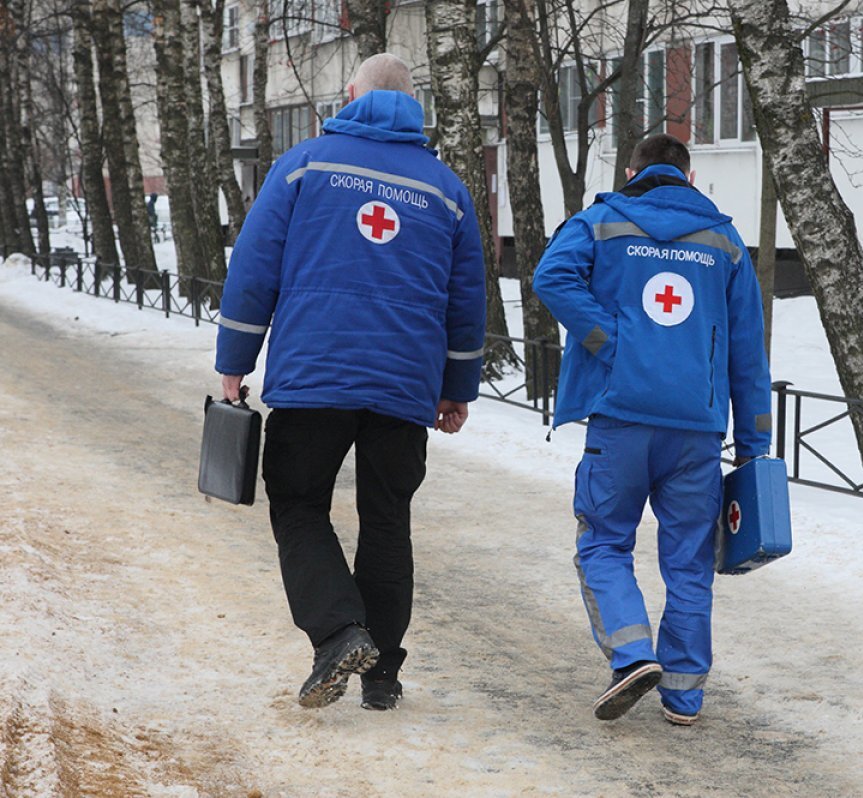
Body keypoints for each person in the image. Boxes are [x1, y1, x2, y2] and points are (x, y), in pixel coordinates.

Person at [214, 54, 486, 711]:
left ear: (350, 94)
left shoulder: (304, 165)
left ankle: (338, 633)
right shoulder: (446, 189)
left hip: (315, 378)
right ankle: (383, 675)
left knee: (300, 503)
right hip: (404, 386)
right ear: (413, 104)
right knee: (387, 520)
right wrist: (458, 386)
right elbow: (466, 299)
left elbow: (254, 268)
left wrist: (235, 360)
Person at [533, 133, 772, 726]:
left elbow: (551, 278)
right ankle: (685, 694)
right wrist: (755, 445)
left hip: (621, 420)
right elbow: (748, 352)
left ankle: (632, 653)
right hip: (696, 430)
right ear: (689, 178)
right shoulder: (726, 242)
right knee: (690, 559)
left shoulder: (600, 222)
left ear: (632, 170)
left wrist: (607, 341)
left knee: (604, 542)